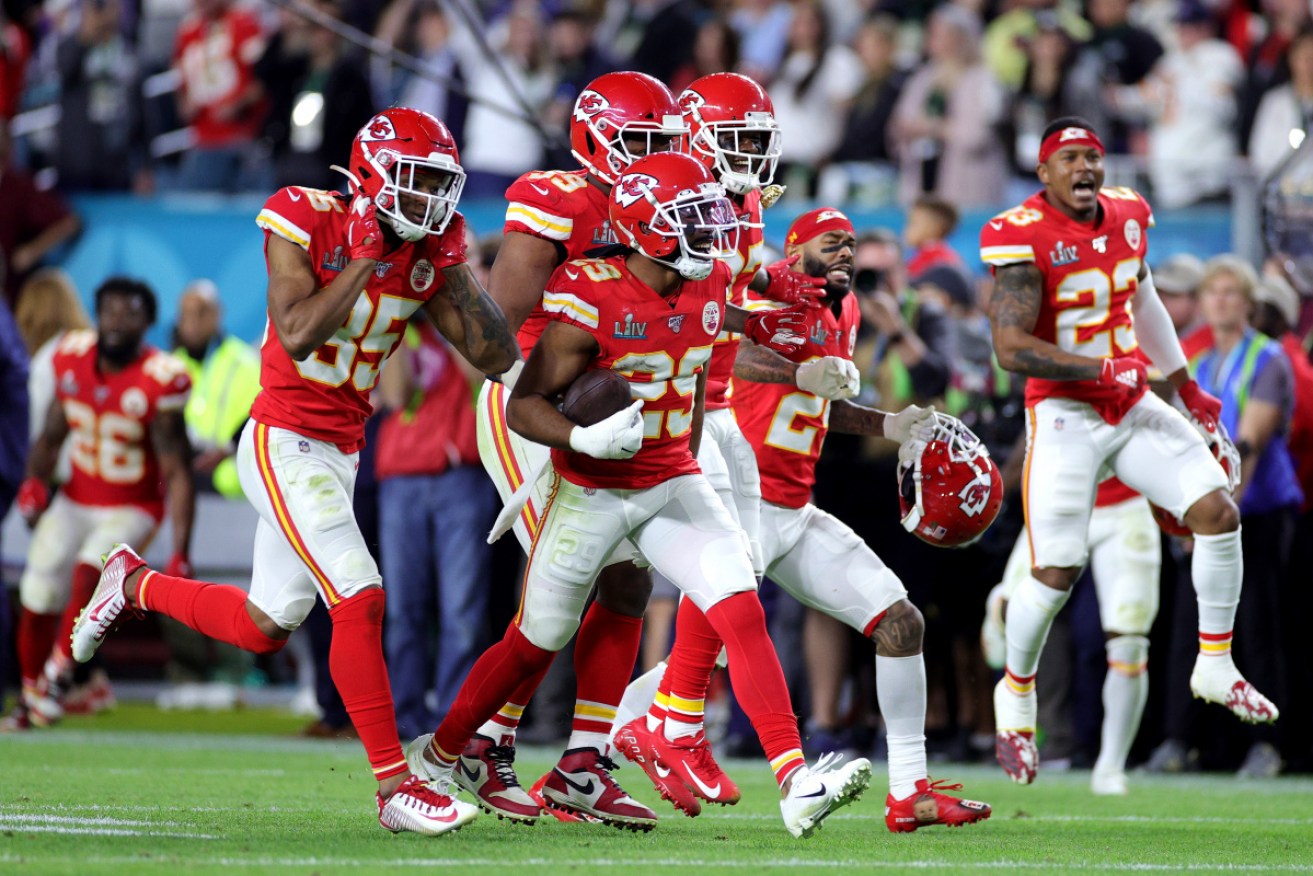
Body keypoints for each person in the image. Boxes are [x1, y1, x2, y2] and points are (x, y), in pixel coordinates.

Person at [69, 107, 519, 835]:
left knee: (264, 624)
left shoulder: (431, 246)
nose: (429, 201)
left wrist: (455, 273)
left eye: (440, 185)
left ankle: (133, 581)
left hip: (340, 450)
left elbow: (493, 353)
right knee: (361, 593)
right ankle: (394, 789)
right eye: (415, 183)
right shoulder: (304, 216)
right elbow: (301, 333)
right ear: (373, 178)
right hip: (282, 437)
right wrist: (369, 256)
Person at [406, 150, 873, 838]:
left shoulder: (712, 278)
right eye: (693, 220)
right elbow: (522, 404)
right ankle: (440, 755)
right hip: (591, 489)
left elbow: (725, 338)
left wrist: (799, 343)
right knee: (535, 641)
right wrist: (580, 439)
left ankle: (794, 780)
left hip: (667, 477)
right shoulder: (588, 290)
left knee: (737, 600)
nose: (711, 235)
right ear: (648, 227)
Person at [617, 206, 994, 832]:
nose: (846, 252)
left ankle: (911, 792)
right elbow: (719, 351)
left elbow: (816, 401)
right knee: (706, 655)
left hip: (793, 508)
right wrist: (799, 369)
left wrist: (887, 424)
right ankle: (614, 738)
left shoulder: (844, 311)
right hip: (736, 502)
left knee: (901, 623)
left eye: (852, 243)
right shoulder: (769, 297)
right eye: (832, 242)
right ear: (792, 253)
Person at [981, 116, 1278, 786]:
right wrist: (1096, 369)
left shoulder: (1126, 215)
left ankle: (1213, 661)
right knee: (1054, 573)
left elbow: (1142, 300)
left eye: (1093, 156)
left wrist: (1186, 387)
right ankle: (1016, 690)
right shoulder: (1017, 233)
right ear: (1043, 172)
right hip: (1062, 411)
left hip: (1128, 401)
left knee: (1215, 512)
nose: (1085, 168)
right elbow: (1008, 350)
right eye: (1070, 159)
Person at [609, 74, 859, 817]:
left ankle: (674, 727)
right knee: (559, 612)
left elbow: (734, 306)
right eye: (740, 137)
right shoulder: (671, 196)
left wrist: (780, 291)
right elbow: (699, 318)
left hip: (708, 412)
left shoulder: (743, 203)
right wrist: (788, 350)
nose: (752, 154)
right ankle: (633, 728)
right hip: (639, 415)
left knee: (732, 581)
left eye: (760, 140)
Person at [8, 278, 193, 731]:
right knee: (36, 591)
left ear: (148, 323)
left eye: (129, 312)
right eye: (109, 310)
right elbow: (51, 436)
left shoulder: (160, 379)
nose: (116, 321)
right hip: (75, 498)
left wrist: (181, 549)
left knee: (90, 571)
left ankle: (56, 678)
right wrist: (35, 481)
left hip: (132, 505)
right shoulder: (71, 358)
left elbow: (178, 472)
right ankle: (34, 697)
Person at [982, 472, 1162, 795]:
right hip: (1062, 491)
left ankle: (1110, 766)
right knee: (1018, 610)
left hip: (1127, 503)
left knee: (1129, 640)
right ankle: (1002, 616)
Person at [374, 312, 497, 739]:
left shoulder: (470, 323)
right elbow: (395, 395)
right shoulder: (399, 326)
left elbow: (474, 372)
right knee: (403, 607)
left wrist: (454, 318)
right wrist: (402, 318)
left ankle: (451, 718)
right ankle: (405, 715)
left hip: (462, 477)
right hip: (402, 480)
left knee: (461, 609)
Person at [171, 280, 261, 498]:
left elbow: (256, 424)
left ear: (217, 314)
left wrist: (224, 453)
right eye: (185, 314)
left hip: (230, 486)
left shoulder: (245, 364)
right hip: (183, 479)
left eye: (200, 313)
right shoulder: (171, 366)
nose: (192, 323)